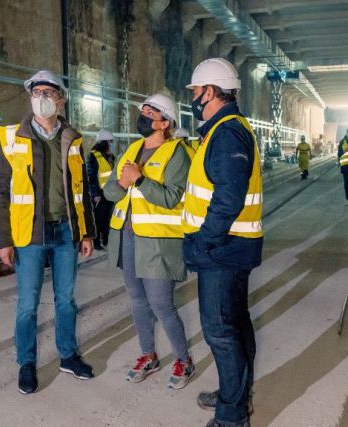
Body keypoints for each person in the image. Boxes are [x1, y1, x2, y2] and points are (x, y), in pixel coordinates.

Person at [0, 70, 95, 395]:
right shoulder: (12, 138)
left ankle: (68, 355)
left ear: (61, 99)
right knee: (28, 304)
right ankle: (27, 364)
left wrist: (87, 232)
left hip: (65, 231)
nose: (43, 98)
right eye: (37, 92)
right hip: (28, 235)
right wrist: (2, 240)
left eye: (50, 92)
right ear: (30, 97)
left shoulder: (73, 139)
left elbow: (82, 189)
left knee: (66, 300)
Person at [182, 58, 263, 427]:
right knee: (235, 324)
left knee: (220, 331)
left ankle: (231, 417)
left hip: (222, 249)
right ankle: (235, 396)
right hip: (231, 247)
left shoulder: (227, 132)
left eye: (197, 92)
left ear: (211, 92)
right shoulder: (223, 130)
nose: (195, 99)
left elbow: (229, 196)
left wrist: (204, 242)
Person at [102, 93, 195, 389]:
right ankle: (148, 355)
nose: (142, 116)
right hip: (128, 236)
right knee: (137, 300)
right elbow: (109, 193)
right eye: (142, 110)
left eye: (149, 112)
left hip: (159, 241)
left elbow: (171, 198)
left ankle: (183, 359)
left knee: (161, 304)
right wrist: (122, 182)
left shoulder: (177, 153)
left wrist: (141, 180)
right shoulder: (131, 149)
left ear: (164, 122)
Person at [86, 129, 115, 251]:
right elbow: (91, 176)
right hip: (100, 194)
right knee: (98, 219)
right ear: (104, 142)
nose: (111, 144)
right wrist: (95, 194)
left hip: (109, 193)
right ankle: (97, 243)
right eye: (109, 142)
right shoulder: (93, 156)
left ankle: (107, 241)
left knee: (107, 219)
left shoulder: (110, 156)